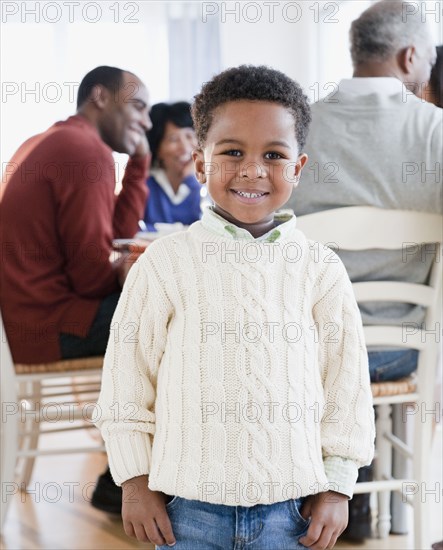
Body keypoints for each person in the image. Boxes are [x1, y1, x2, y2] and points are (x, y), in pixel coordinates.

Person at [95, 65, 375, 550]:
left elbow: (346, 384)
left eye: (273, 154)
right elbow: (126, 378)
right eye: (232, 152)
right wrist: (134, 481)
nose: (253, 169)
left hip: (292, 512)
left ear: (298, 167)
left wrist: (337, 484)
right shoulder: (164, 264)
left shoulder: (320, 269)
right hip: (185, 512)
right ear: (201, 163)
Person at [284, 0, 442, 541]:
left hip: (305, 348)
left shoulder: (295, 129)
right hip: (402, 345)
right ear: (410, 54)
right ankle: (392, 508)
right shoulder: (436, 132)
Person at [0, 65, 151, 513]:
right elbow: (92, 276)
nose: (146, 122)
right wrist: (125, 268)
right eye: (139, 107)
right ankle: (127, 479)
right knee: (175, 323)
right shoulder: (84, 152)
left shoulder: (51, 141)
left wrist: (139, 165)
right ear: (101, 97)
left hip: (21, 324)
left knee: (155, 314)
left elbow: (112, 240)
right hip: (47, 327)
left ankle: (125, 477)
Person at [143, 102, 201, 230]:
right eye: (173, 139)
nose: (185, 147)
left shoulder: (210, 186)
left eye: (189, 136)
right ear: (157, 149)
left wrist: (192, 181)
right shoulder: (145, 186)